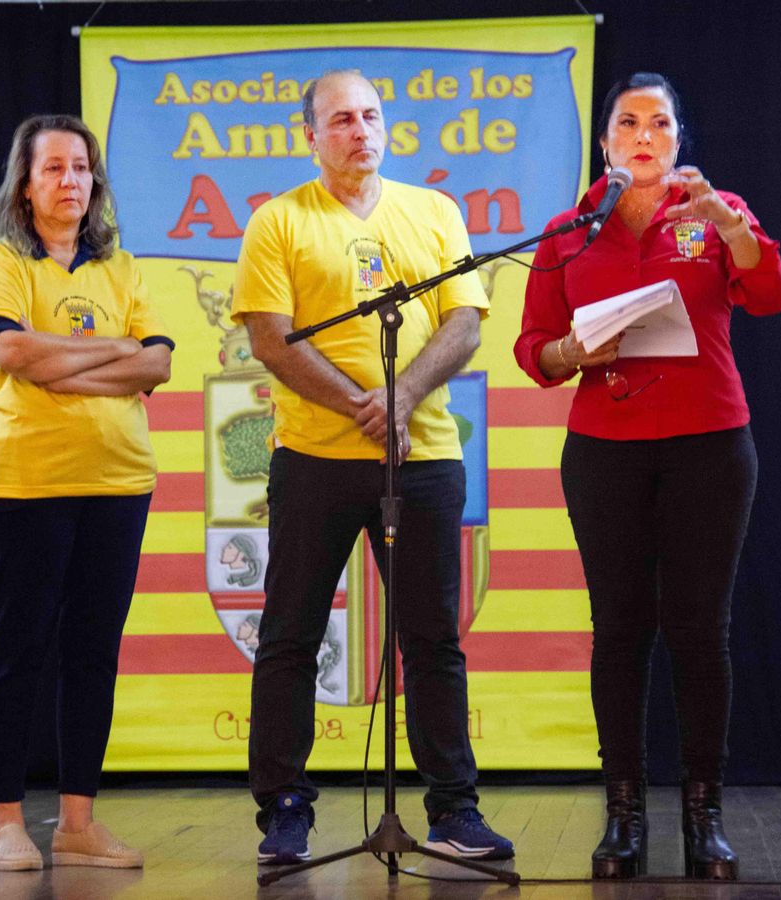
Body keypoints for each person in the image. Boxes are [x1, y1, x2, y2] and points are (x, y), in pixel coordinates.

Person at [514, 73, 781, 881]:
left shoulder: (714, 212)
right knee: (622, 630)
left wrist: (731, 228)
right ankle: (623, 814)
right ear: (606, 142)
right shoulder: (569, 230)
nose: (644, 135)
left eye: (660, 124)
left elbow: (771, 294)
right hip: (607, 448)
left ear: (678, 140)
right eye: (628, 123)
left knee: (701, 631)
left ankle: (704, 814)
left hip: (710, 443)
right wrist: (573, 352)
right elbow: (534, 348)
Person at [232, 69, 514, 865]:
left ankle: (454, 811)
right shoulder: (279, 222)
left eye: (372, 116)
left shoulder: (433, 211)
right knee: (289, 635)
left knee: (432, 640)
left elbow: (464, 322)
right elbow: (270, 337)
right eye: (342, 120)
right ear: (310, 136)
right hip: (315, 459)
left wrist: (402, 397)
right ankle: (285, 809)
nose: (361, 130)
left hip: (422, 459)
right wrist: (364, 403)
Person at [0, 114, 174, 871]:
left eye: (81, 168)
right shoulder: (0, 263)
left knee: (93, 653)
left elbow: (156, 365)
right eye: (53, 168)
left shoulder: (120, 270)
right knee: (17, 651)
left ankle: (78, 823)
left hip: (119, 479)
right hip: (28, 482)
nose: (70, 182)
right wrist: (111, 349)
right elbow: (11, 349)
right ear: (25, 185)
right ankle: (5, 823)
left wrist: (66, 363)